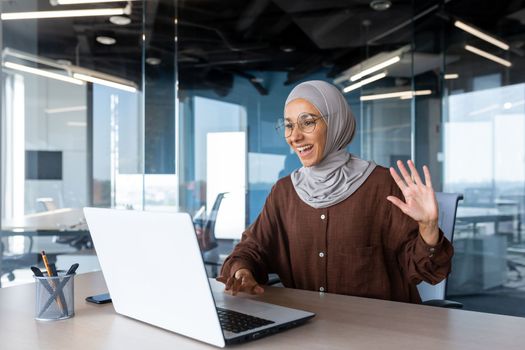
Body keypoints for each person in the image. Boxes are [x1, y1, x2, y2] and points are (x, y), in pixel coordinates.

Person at [216, 80, 453, 303]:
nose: (295, 136)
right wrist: (242, 271)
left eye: (307, 122)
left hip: (380, 330)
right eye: (288, 125)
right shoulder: (284, 192)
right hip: (307, 328)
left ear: (336, 123)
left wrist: (428, 228)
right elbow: (252, 248)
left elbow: (426, 271)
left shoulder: (382, 185)